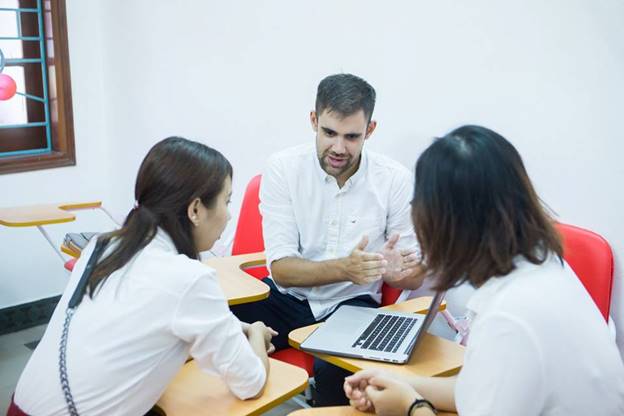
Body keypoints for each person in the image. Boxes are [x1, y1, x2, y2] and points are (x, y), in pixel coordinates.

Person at [343, 125, 624, 415]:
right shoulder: (543, 265)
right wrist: (402, 385)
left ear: (447, 223)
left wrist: (410, 405)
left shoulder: (508, 317)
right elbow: (479, 390)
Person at [10, 137, 276, 416]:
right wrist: (257, 333)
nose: (229, 216)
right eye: (227, 201)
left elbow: (150, 324)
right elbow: (251, 382)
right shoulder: (188, 278)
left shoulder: (102, 246)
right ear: (196, 210)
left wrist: (236, 328)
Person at [231, 73, 425, 405]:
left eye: (352, 137)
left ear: (370, 130)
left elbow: (414, 274)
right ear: (313, 121)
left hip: (353, 305)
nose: (338, 148)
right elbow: (282, 270)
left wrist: (398, 274)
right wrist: (345, 269)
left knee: (339, 374)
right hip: (286, 296)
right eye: (329, 133)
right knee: (210, 328)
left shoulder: (394, 180)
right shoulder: (283, 168)